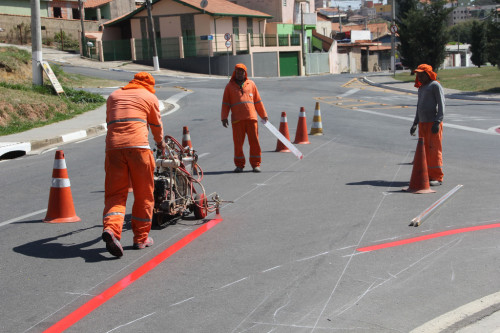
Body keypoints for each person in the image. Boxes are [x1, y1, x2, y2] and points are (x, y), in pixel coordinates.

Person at [102, 72, 166, 257]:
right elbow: (156, 126)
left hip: (113, 149)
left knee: (115, 195)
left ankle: (112, 230)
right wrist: (160, 143)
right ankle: (140, 238)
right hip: (139, 149)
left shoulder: (113, 96)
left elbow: (110, 123)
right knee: (144, 194)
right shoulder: (149, 96)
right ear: (149, 85)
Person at [221, 63, 268, 173]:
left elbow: (258, 101)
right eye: (238, 72)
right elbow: (225, 104)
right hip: (237, 120)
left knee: (255, 143)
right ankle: (239, 165)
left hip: (251, 119)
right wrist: (224, 117)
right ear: (235, 73)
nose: (240, 74)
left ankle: (256, 165)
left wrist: (263, 115)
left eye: (242, 72)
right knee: (238, 144)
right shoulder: (229, 87)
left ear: (245, 73)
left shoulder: (251, 84)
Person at [410, 64, 445, 186]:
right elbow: (419, 107)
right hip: (422, 124)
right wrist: (415, 123)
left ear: (428, 74)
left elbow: (441, 105)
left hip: (433, 123)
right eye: (417, 74)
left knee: (434, 150)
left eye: (421, 74)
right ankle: (427, 174)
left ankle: (437, 176)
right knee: (424, 151)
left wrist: (437, 121)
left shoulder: (435, 85)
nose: (419, 77)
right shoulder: (421, 88)